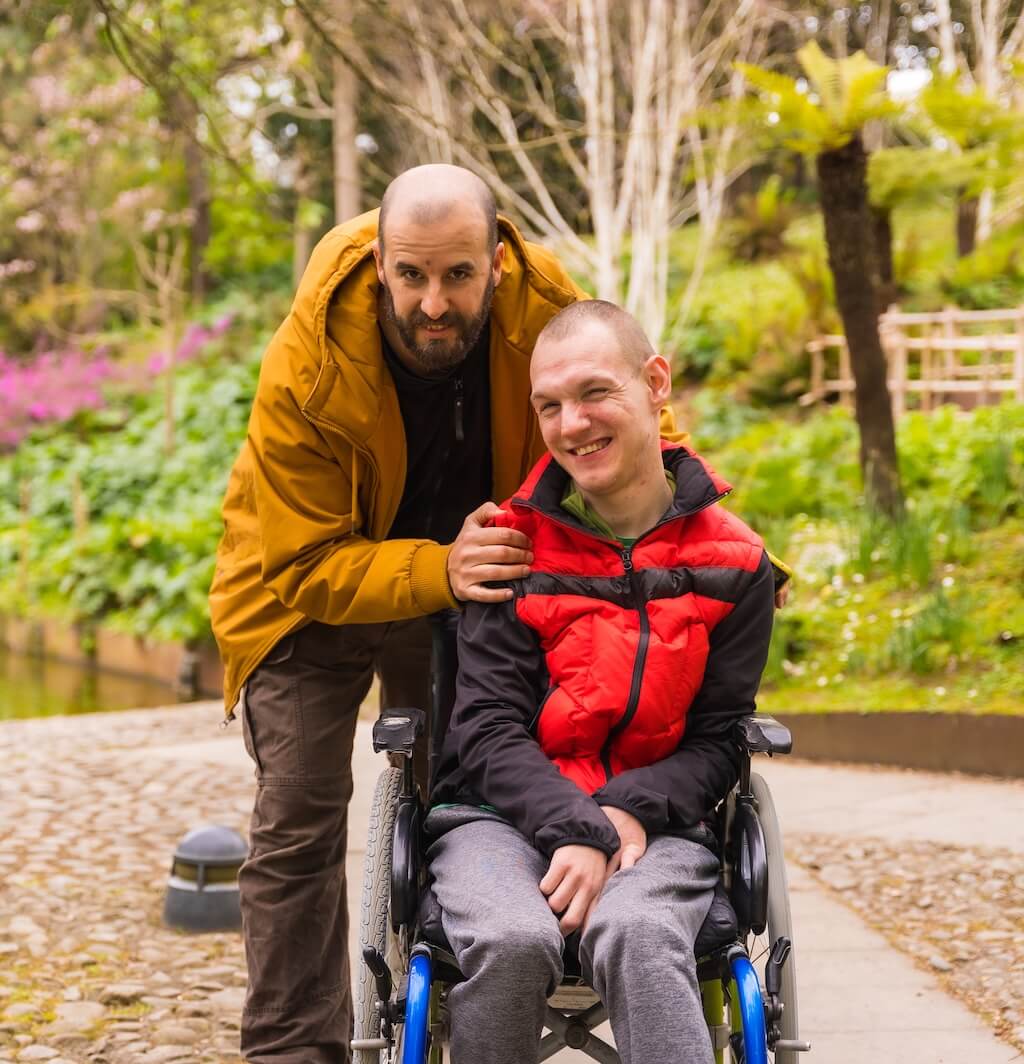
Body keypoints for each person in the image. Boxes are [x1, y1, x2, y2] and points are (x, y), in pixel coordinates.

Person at [209, 164, 683, 1063]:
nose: (433, 301)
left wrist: (711, 543)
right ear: (379, 265)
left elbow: (624, 415)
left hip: (478, 581)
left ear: (497, 262)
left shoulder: (543, 304)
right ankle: (289, 1052)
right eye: (412, 276)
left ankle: (469, 1013)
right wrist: (439, 564)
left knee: (467, 793)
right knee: (299, 816)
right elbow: (305, 562)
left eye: (458, 275)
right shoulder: (305, 365)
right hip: (308, 588)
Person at [428, 299, 776, 1064]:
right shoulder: (508, 550)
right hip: (497, 818)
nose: (571, 423)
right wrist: (576, 827)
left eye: (594, 393)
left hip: (660, 822)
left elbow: (721, 740)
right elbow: (484, 729)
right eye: (548, 406)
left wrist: (621, 814)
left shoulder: (736, 565)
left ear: (655, 382)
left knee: (642, 933)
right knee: (514, 938)